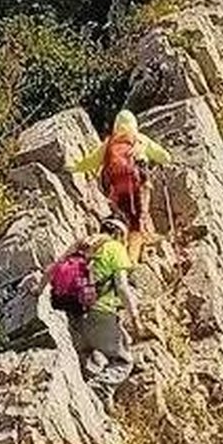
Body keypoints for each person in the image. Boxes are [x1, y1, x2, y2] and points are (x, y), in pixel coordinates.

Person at [59, 217, 139, 397]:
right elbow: (122, 286)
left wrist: (38, 289)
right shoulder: (115, 248)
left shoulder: (84, 246)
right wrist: (135, 316)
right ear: (119, 235)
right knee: (123, 361)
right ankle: (96, 392)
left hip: (73, 312)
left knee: (90, 353)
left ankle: (86, 380)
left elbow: (57, 268)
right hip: (99, 313)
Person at [76, 110, 172, 236]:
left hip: (115, 184)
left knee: (122, 212)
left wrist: (75, 167)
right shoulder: (141, 139)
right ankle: (139, 235)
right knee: (140, 213)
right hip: (138, 180)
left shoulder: (110, 142)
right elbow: (166, 157)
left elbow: (90, 162)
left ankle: (120, 234)